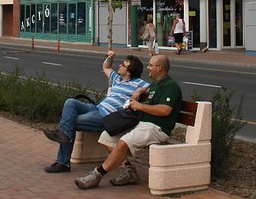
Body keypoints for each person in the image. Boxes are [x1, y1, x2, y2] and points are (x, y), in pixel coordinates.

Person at [74, 54, 182, 189]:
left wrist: (139, 106)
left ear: (159, 68)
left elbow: (165, 110)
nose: (148, 68)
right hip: (142, 124)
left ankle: (97, 174)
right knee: (106, 136)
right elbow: (147, 99)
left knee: (123, 142)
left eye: (150, 65)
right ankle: (128, 170)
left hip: (157, 128)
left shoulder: (170, 86)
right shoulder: (155, 85)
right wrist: (138, 94)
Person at [42, 51, 148, 174]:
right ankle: (63, 136)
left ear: (129, 71)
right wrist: (110, 57)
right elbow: (106, 67)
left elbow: (151, 91)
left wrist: (140, 93)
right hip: (97, 108)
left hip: (106, 116)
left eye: (123, 65)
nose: (119, 66)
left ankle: (63, 162)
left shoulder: (139, 83)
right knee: (70, 102)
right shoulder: (117, 78)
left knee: (71, 122)